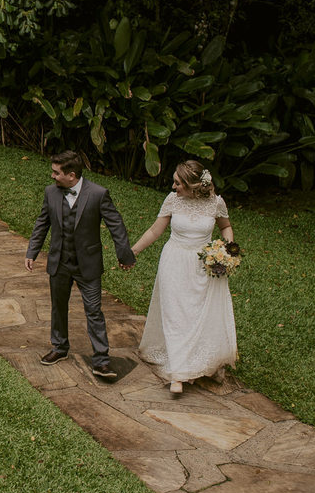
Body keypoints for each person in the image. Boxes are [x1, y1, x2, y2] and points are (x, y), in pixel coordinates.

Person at [25, 150, 135, 379]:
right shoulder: (50, 193)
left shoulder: (98, 194)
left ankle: (102, 361)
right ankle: (59, 348)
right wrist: (32, 251)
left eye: (56, 173)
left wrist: (124, 255)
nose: (52, 176)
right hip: (60, 262)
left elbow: (117, 226)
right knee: (58, 307)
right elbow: (42, 222)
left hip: (88, 265)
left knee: (94, 311)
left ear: (71, 175)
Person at [131, 161, 237, 395]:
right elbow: (154, 231)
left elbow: (226, 227)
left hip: (203, 265)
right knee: (176, 315)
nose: (173, 186)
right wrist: (133, 251)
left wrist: (226, 250)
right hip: (174, 262)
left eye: (178, 183)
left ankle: (203, 361)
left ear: (193, 186)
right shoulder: (172, 200)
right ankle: (178, 373)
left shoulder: (216, 203)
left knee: (198, 314)